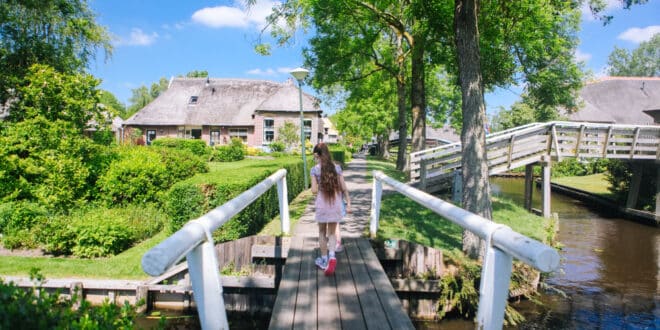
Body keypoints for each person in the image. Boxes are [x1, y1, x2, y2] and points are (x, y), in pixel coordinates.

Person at [310, 143, 351, 276]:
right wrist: (349, 203)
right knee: (332, 233)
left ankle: (323, 259)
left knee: (322, 232)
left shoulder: (314, 170)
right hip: (336, 203)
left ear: (317, 154)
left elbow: (314, 191)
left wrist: (317, 185)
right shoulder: (337, 168)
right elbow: (343, 187)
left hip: (322, 204)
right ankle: (332, 256)